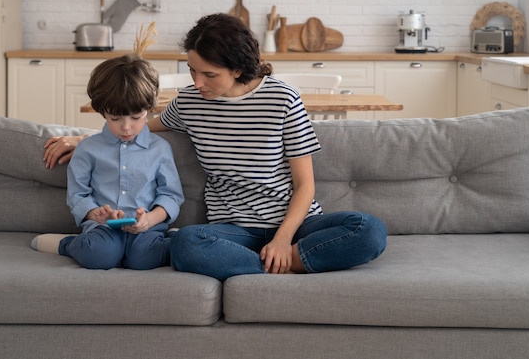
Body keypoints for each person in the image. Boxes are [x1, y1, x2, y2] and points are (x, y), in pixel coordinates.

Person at [43, 14, 387, 281]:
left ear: (236, 69)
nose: (197, 83)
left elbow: (305, 185)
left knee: (368, 230)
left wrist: (282, 241)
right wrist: (82, 139)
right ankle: (286, 265)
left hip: (293, 227)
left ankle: (282, 262)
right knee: (185, 243)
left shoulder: (283, 99)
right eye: (192, 70)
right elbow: (133, 129)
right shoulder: (191, 102)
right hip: (230, 232)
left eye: (208, 74)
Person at [33, 54, 184, 271]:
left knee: (144, 259)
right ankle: (66, 244)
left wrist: (150, 220)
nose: (126, 127)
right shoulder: (87, 149)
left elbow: (171, 195)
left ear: (149, 109)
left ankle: (168, 238)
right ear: (102, 111)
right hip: (102, 228)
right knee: (100, 257)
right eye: (115, 118)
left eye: (136, 117)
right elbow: (78, 195)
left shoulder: (159, 149)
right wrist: (96, 214)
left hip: (147, 228)